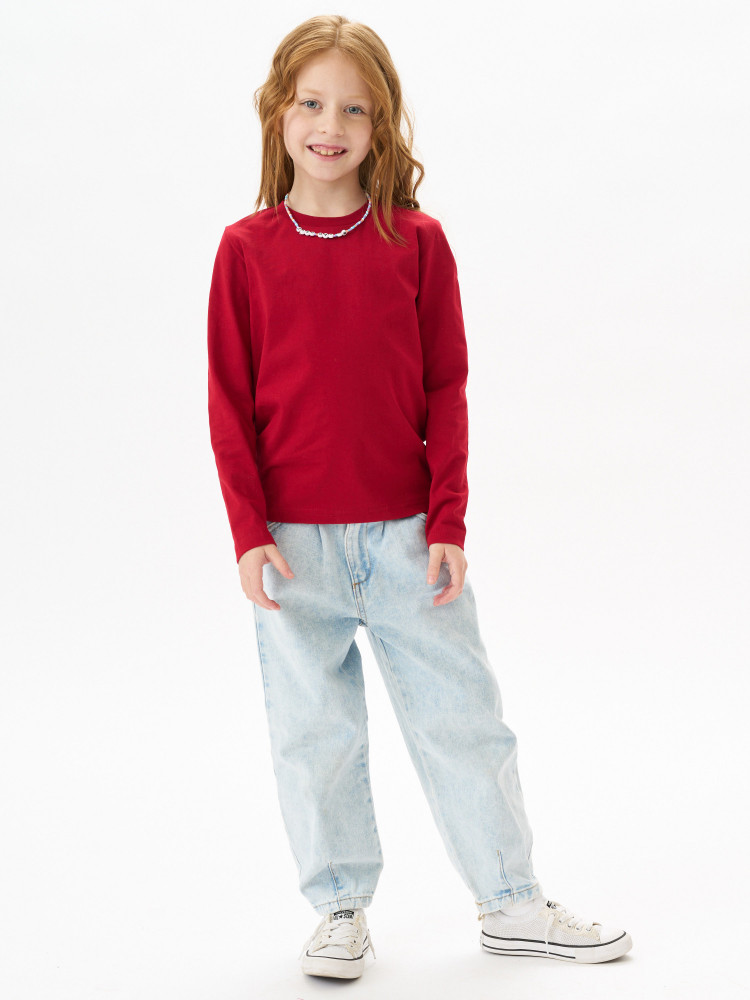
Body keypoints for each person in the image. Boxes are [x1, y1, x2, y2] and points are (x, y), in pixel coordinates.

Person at [207, 14, 633, 981]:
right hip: (292, 550)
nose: (331, 125)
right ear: (278, 114)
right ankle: (339, 908)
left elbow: (447, 386)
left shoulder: (417, 243)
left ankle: (511, 900)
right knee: (314, 737)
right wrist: (247, 533)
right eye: (311, 104)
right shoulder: (244, 251)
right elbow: (228, 404)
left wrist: (448, 519)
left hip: (407, 540)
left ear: (382, 123)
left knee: (463, 718)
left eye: (354, 109)